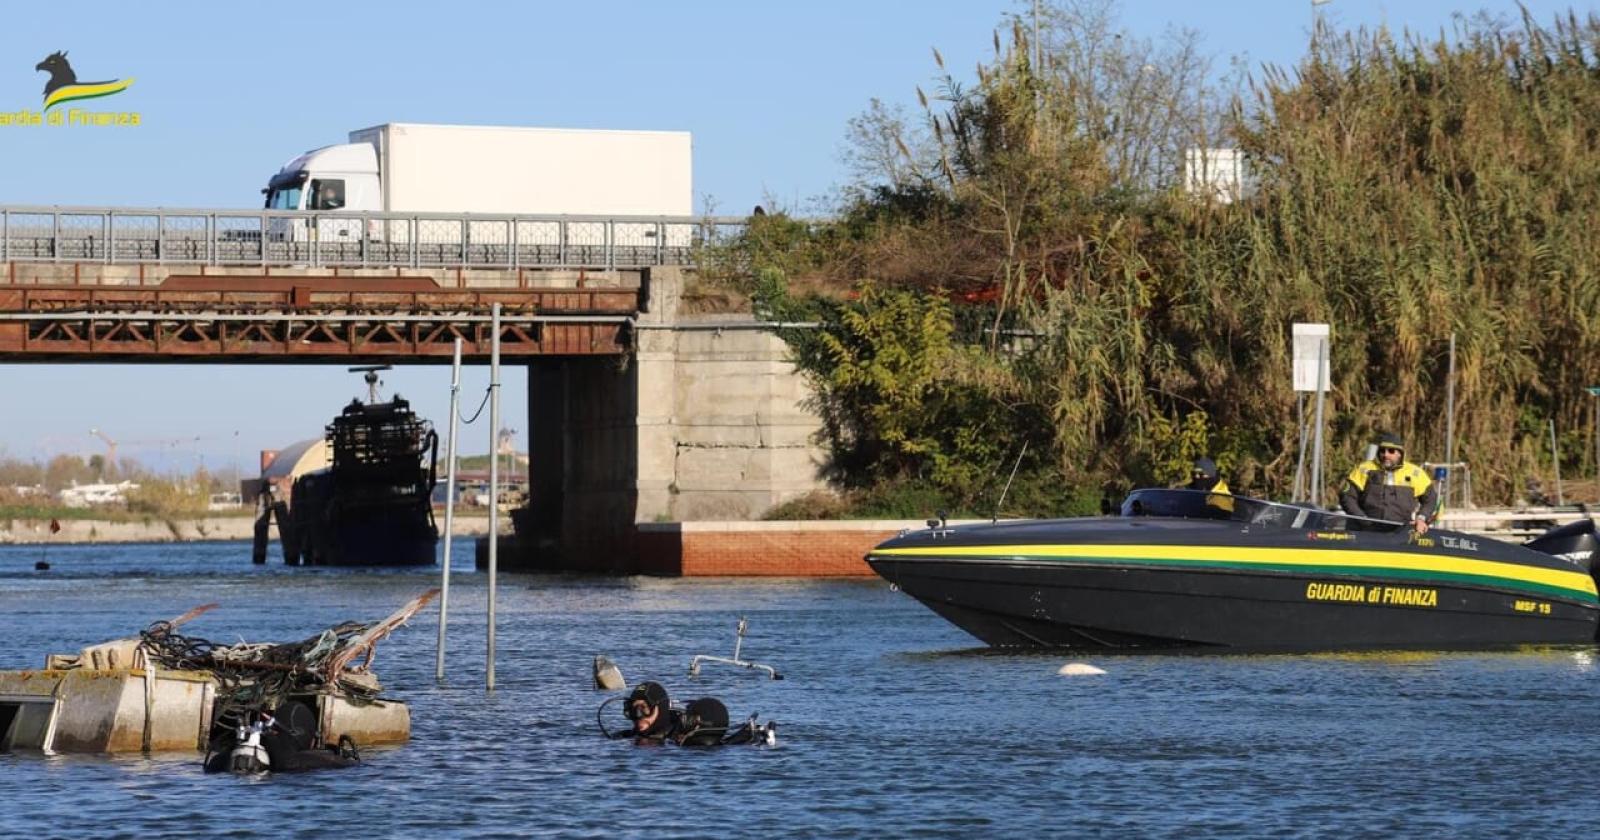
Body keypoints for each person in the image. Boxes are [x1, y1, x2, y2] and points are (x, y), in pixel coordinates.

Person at [1338, 432, 1439, 534]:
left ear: (1400, 453)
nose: (1386, 455)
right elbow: (1347, 497)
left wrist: (1421, 518)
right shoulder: (1364, 469)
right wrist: (1362, 519)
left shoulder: (1415, 473)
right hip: (1364, 531)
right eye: (1382, 451)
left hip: (1401, 533)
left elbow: (1430, 499)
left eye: (1391, 451)